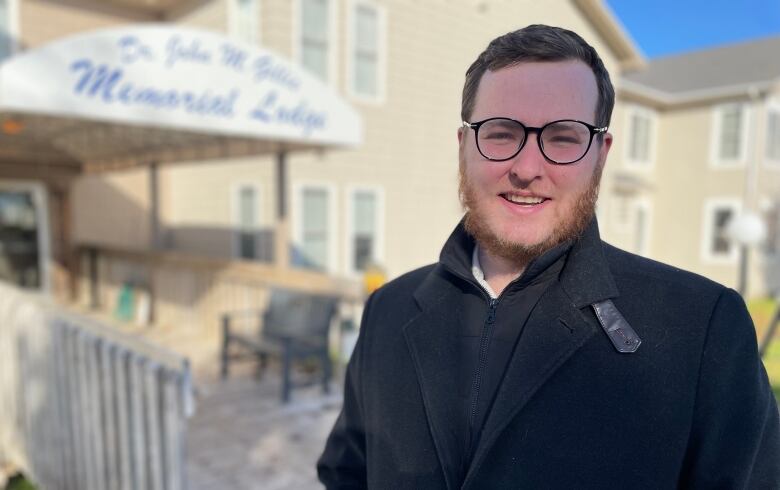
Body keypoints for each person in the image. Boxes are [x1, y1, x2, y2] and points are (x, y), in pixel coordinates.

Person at [317, 24, 780, 489]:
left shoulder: (699, 330)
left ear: (600, 154)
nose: (526, 168)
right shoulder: (388, 312)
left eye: (563, 137)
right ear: (463, 147)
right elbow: (346, 474)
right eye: (500, 133)